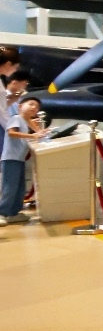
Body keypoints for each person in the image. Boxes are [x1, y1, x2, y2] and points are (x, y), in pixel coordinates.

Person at [1, 95, 49, 224]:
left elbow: (37, 130)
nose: (34, 107)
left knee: (19, 188)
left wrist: (42, 132)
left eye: (37, 107)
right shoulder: (16, 118)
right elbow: (11, 133)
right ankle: (2, 213)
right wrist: (33, 135)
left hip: (19, 159)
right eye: (31, 104)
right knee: (10, 187)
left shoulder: (25, 121)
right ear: (20, 106)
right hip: (11, 158)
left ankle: (13, 213)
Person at [1, 69, 32, 160]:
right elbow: (9, 118)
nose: (25, 86)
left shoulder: (16, 98)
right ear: (14, 82)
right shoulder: (5, 97)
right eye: (25, 83)